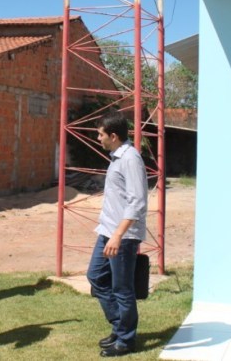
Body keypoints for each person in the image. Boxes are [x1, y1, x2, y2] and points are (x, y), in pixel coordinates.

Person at [87, 111, 148, 357]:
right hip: (107, 231)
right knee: (96, 277)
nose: (98, 138)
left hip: (122, 236)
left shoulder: (130, 159)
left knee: (122, 288)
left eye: (100, 134)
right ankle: (119, 325)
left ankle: (125, 340)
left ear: (113, 136)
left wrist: (117, 236)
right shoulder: (116, 157)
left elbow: (138, 201)